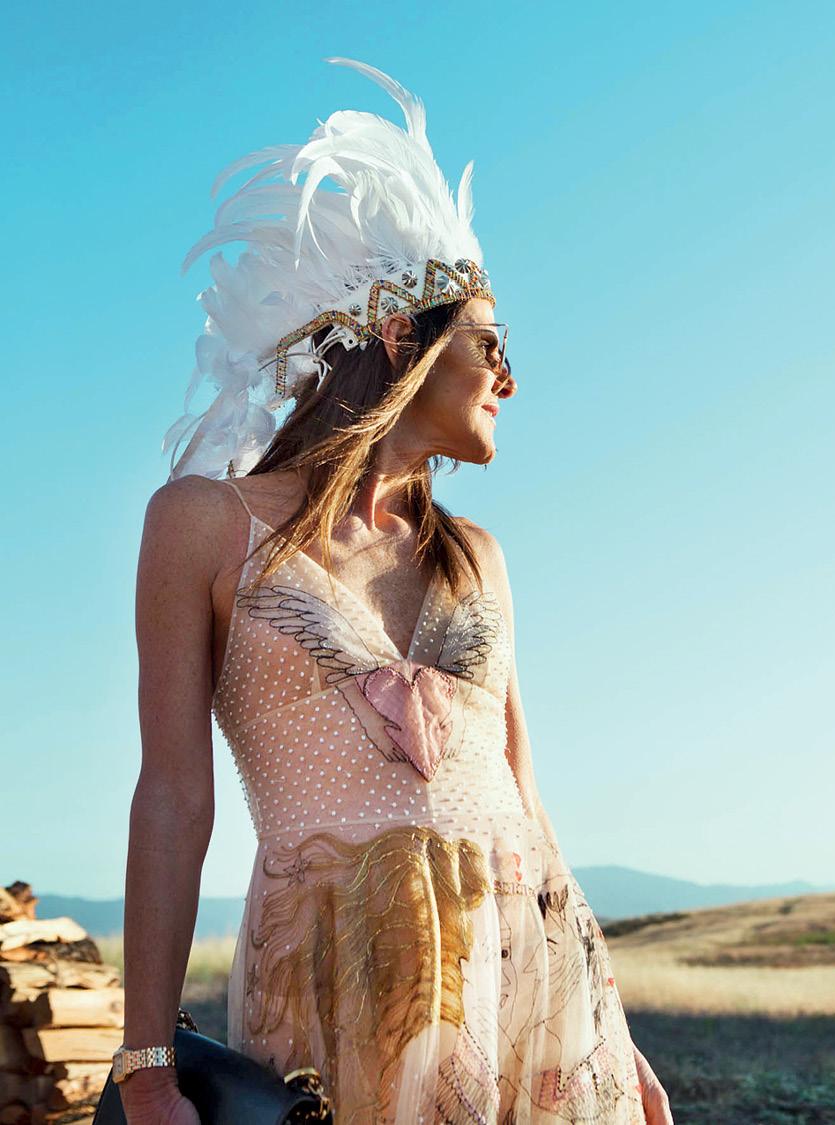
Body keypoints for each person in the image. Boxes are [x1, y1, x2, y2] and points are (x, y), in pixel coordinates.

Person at [117, 58, 673, 1124]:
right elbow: (173, 796)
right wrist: (146, 1067)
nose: (510, 378)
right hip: (335, 978)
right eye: (491, 344)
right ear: (397, 339)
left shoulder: (480, 557)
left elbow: (525, 804)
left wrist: (607, 1026)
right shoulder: (200, 524)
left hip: (526, 994)